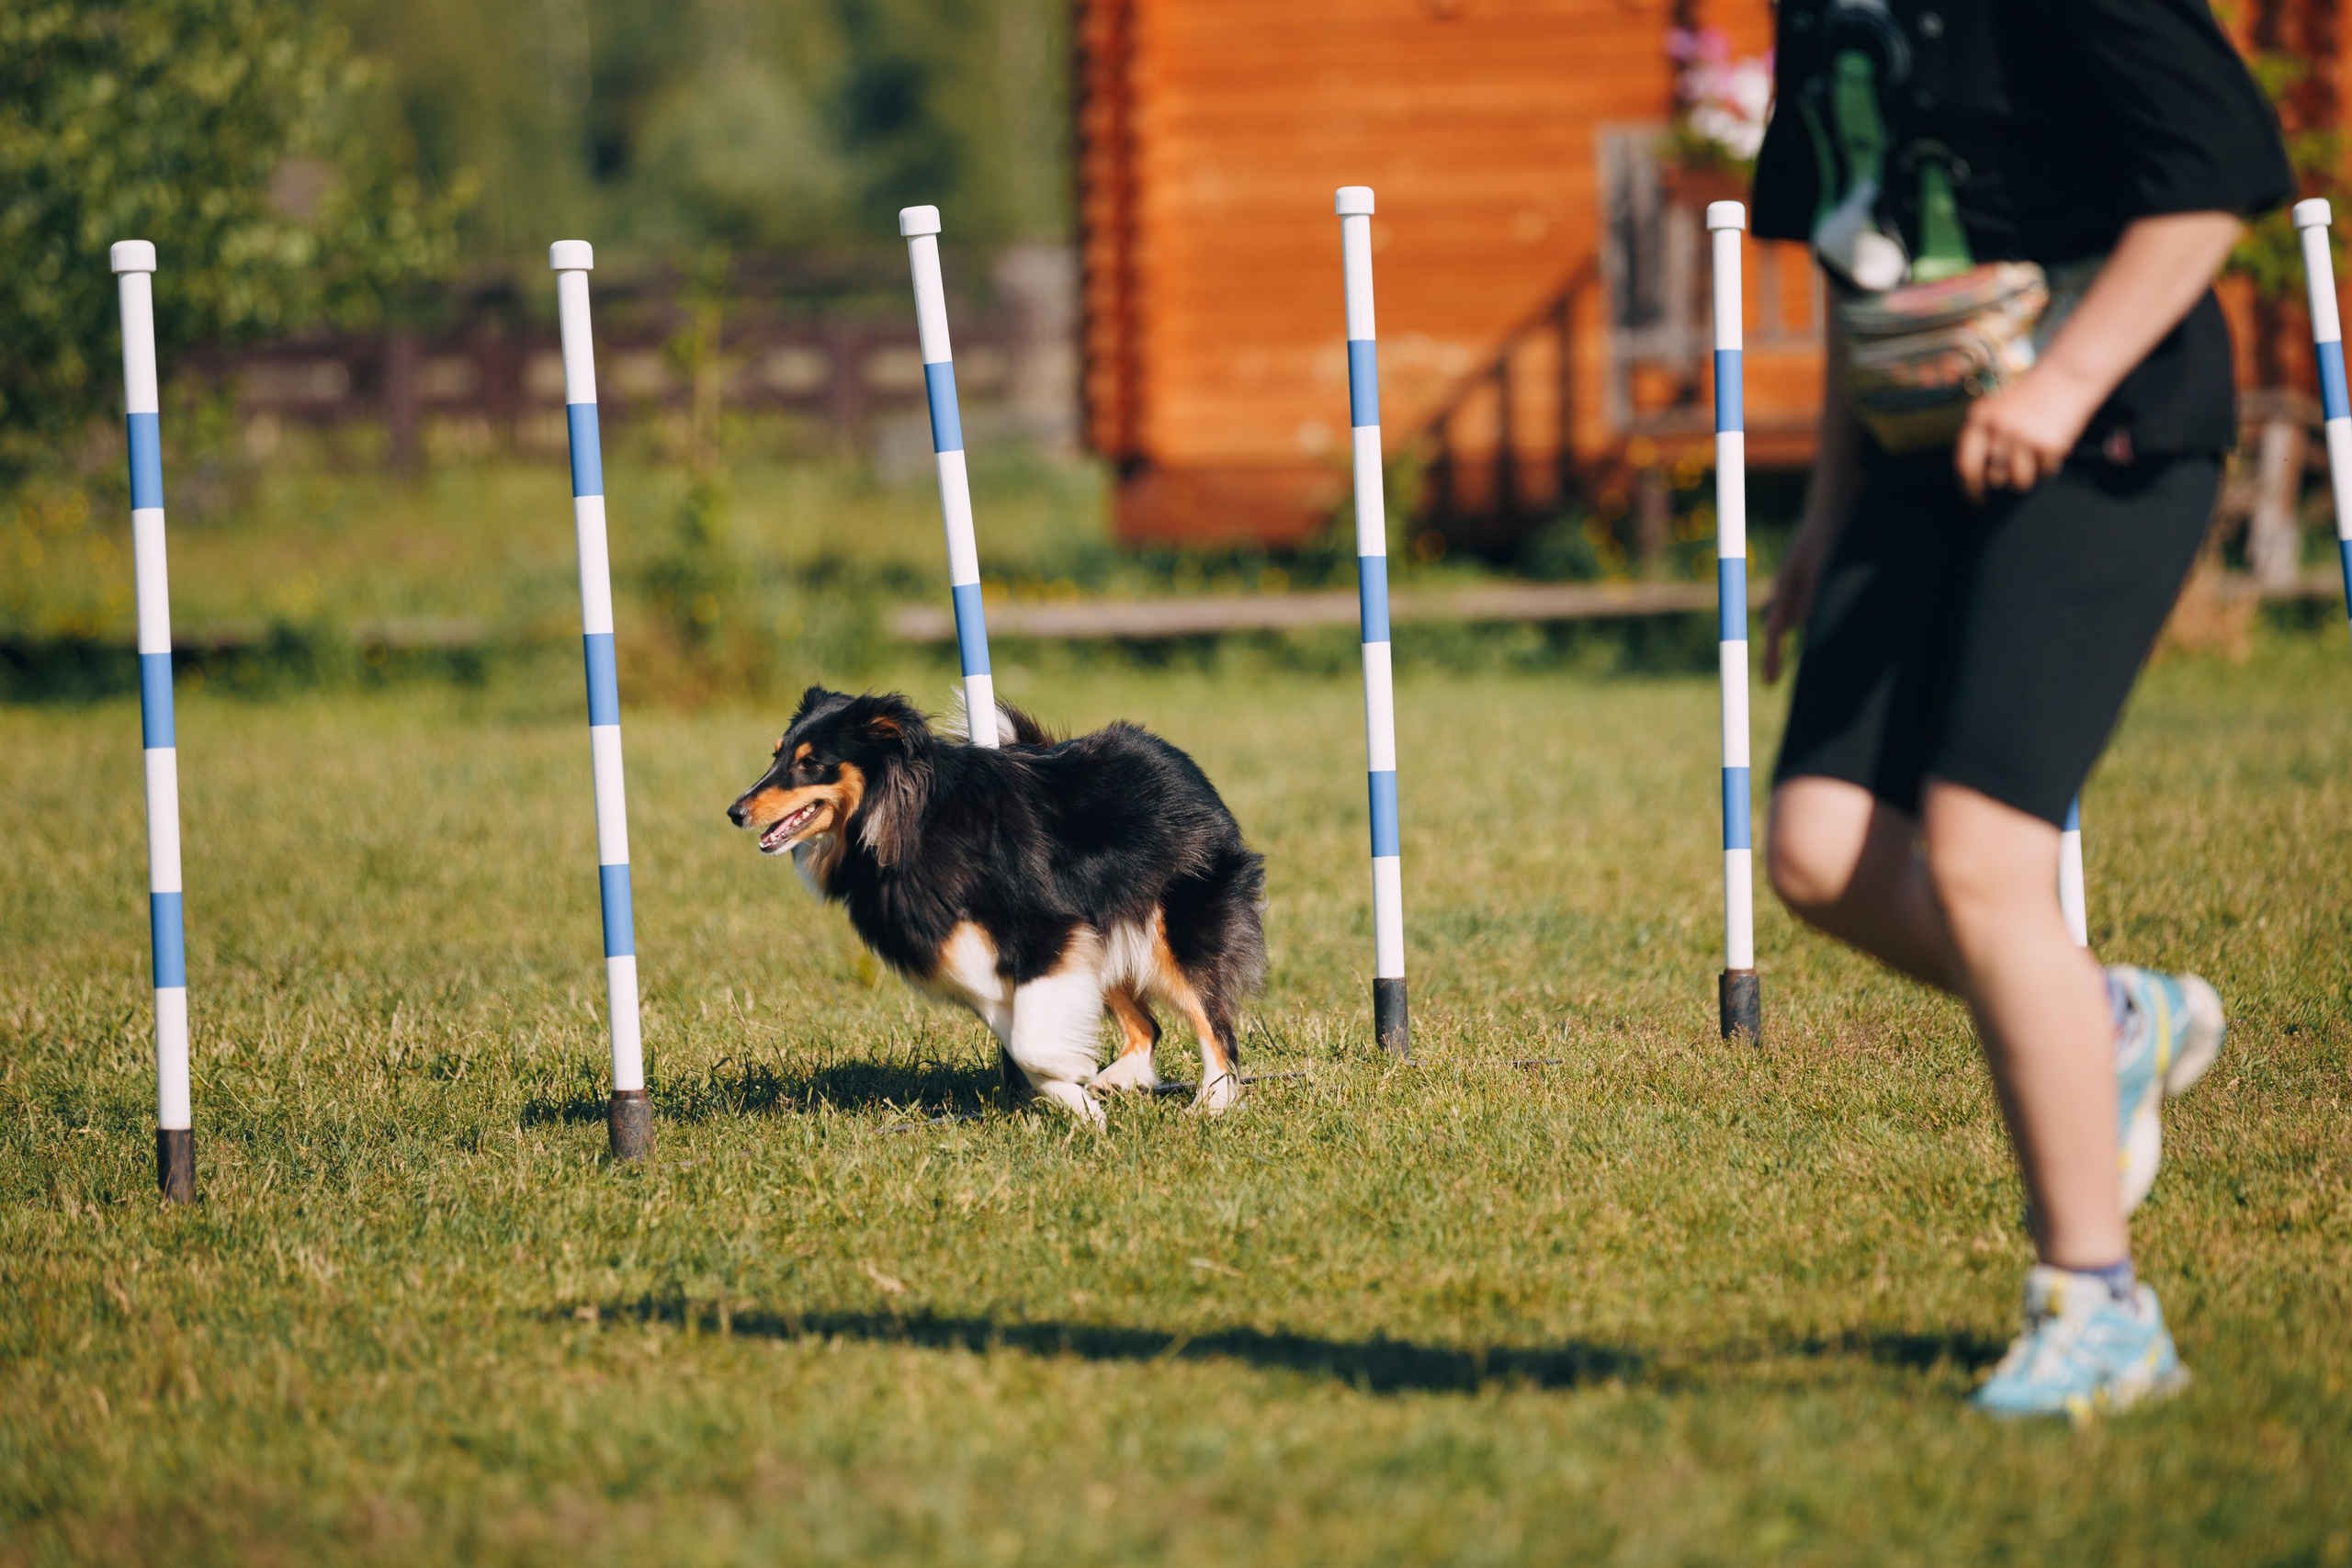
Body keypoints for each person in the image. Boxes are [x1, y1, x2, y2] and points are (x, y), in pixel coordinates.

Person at [1747, 0, 2294, 1417]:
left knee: (1986, 856)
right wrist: (1824, 514)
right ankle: (2104, 1020)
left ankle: (2099, 1308)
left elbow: (2222, 176)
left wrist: (2061, 383)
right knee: (1815, 850)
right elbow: (1861, 267)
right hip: (1924, 438)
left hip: (2107, 426)